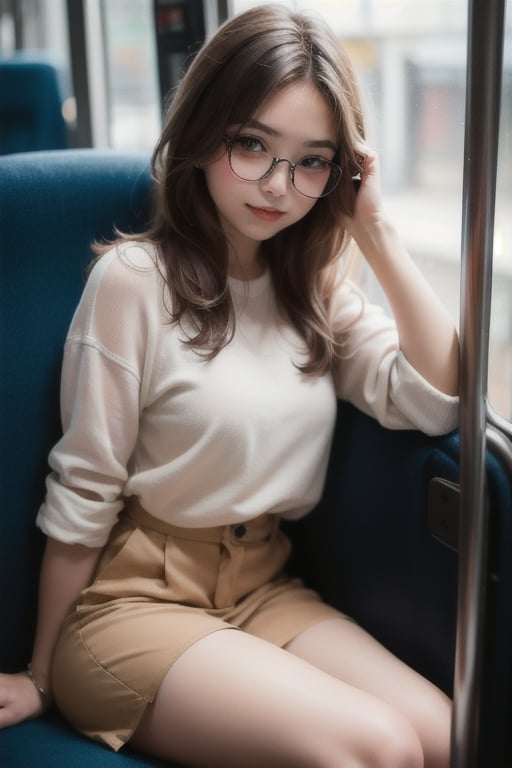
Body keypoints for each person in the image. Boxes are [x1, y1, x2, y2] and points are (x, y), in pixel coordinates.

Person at [0, 5, 459, 767]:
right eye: (252, 145)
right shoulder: (133, 283)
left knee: (448, 737)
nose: (278, 186)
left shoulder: (312, 288)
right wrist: (43, 673)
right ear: (204, 131)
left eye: (312, 161)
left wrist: (375, 232)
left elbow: (439, 396)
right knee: (378, 749)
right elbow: (83, 492)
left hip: (263, 588)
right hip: (130, 605)